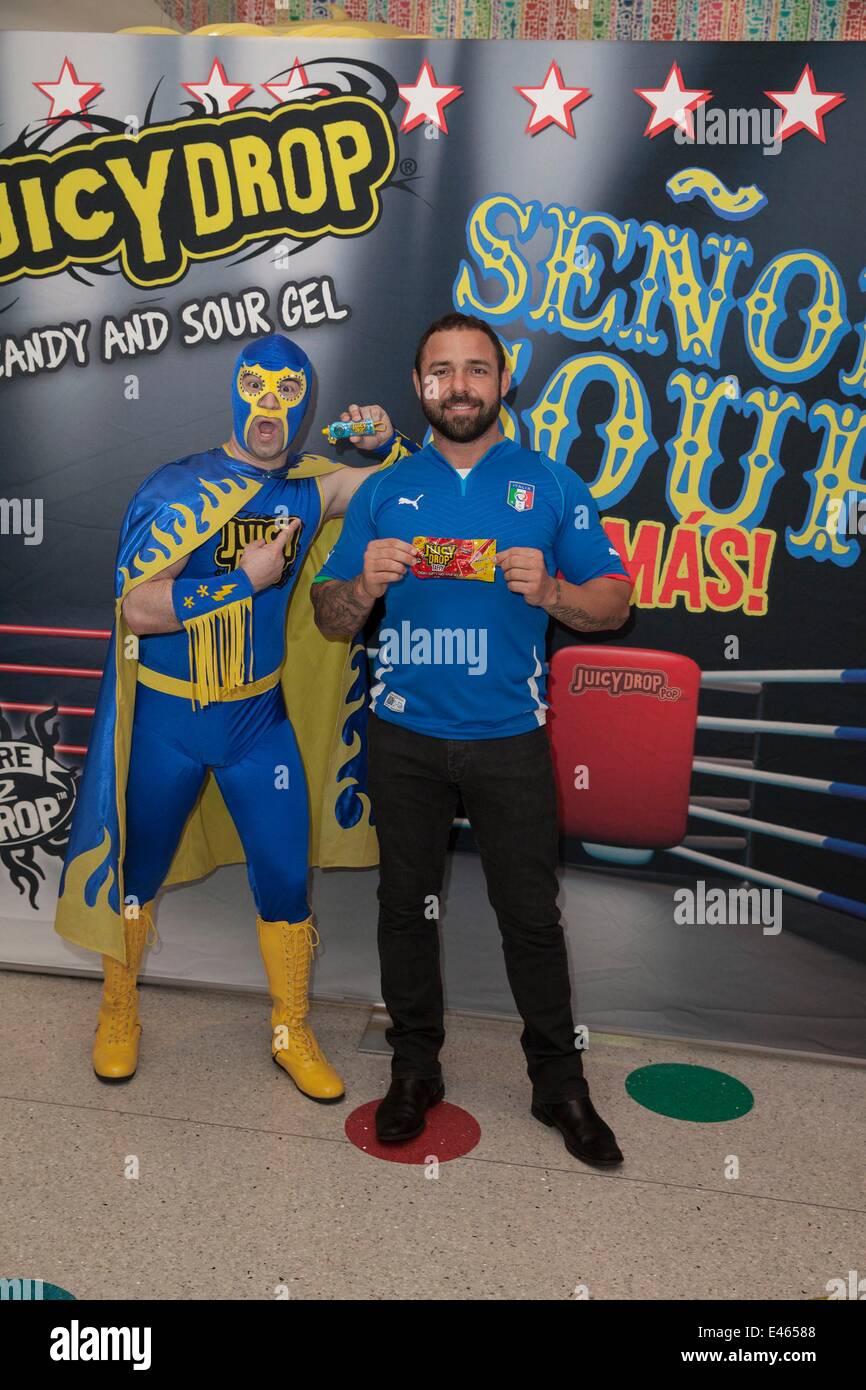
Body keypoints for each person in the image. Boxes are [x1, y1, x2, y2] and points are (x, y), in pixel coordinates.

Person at [311, 311, 633, 1165]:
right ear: (420, 386)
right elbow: (328, 617)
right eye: (442, 371)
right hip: (404, 738)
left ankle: (559, 1082)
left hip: (509, 741)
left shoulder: (552, 484)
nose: (460, 385)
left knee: (530, 917)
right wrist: (363, 586)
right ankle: (415, 1069)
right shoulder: (382, 488)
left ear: (504, 381)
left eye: (476, 370)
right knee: (404, 912)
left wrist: (555, 588)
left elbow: (615, 603)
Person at [55, 333, 413, 1102]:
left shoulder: (308, 492)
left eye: (290, 391)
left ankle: (291, 1026)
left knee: (285, 879)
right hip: (168, 722)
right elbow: (137, 608)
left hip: (259, 726)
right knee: (136, 874)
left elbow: (406, 488)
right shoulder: (178, 487)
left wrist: (389, 444)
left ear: (305, 403)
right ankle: (119, 1008)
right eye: (259, 385)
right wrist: (243, 582)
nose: (271, 405)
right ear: (236, 390)